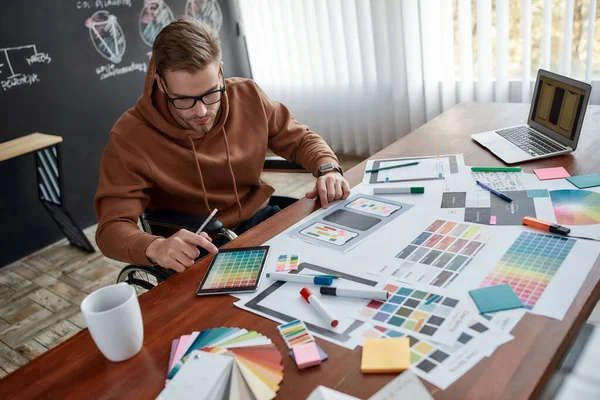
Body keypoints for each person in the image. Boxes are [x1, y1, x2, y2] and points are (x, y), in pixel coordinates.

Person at [95, 17, 350, 273]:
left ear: (220, 72)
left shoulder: (247, 94)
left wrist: (327, 168)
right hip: (197, 251)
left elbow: (300, 138)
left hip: (260, 221)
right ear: (161, 83)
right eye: (183, 100)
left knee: (333, 263)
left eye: (210, 93)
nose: (202, 110)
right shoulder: (130, 136)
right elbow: (111, 228)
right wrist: (155, 247)